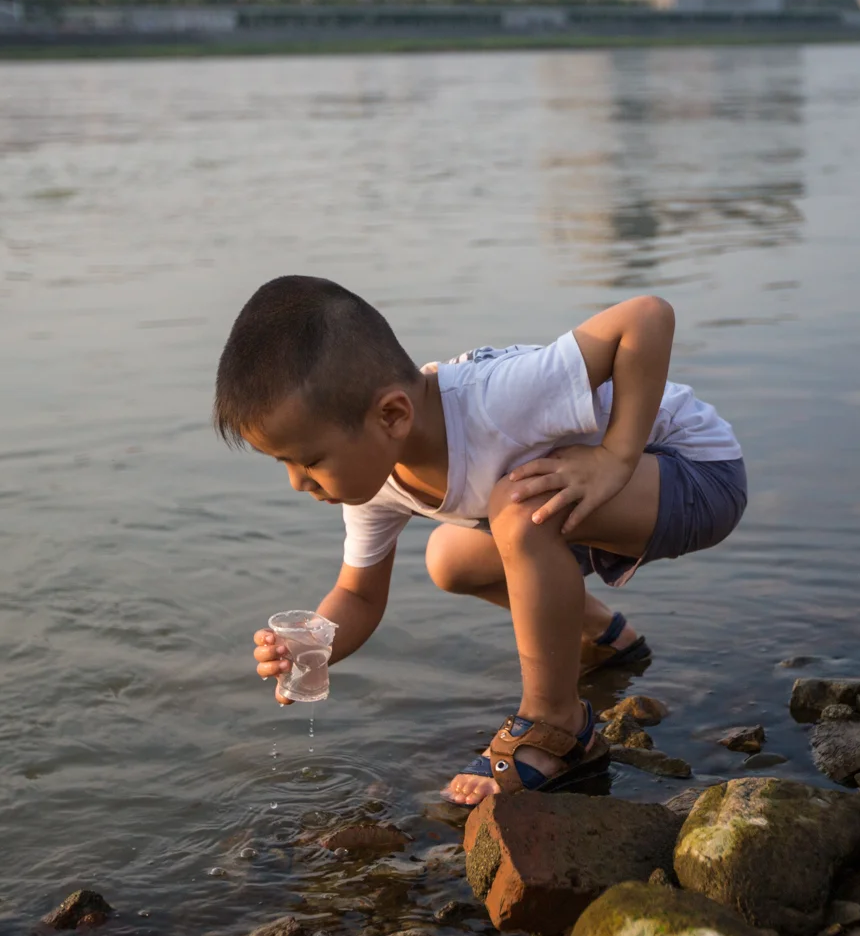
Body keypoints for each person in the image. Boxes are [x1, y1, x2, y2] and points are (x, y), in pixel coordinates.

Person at [215, 277, 746, 804]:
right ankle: (606, 637)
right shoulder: (374, 480)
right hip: (587, 502)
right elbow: (358, 596)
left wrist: (616, 457)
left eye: (309, 461)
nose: (297, 482)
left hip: (698, 473)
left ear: (392, 415)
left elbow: (647, 318)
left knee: (514, 511)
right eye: (283, 462)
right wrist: (313, 646)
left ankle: (557, 726)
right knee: (450, 558)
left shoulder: (494, 401)